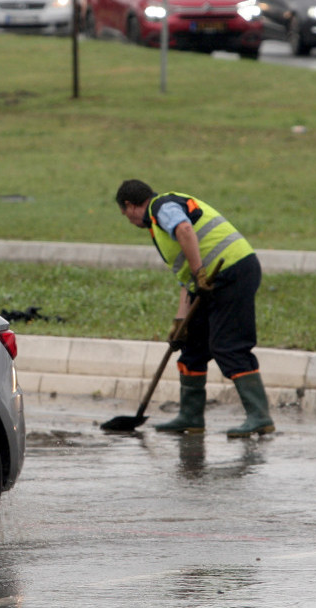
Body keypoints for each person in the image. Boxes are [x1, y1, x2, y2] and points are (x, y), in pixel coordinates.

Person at [115, 179, 274, 437]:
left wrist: (200, 271)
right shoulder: (158, 224)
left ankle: (259, 416)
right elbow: (186, 278)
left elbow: (185, 230)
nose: (130, 221)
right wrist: (181, 322)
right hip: (208, 282)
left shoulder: (162, 208)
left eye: (126, 215)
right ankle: (190, 417)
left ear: (130, 206)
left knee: (228, 345)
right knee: (192, 347)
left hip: (232, 273)